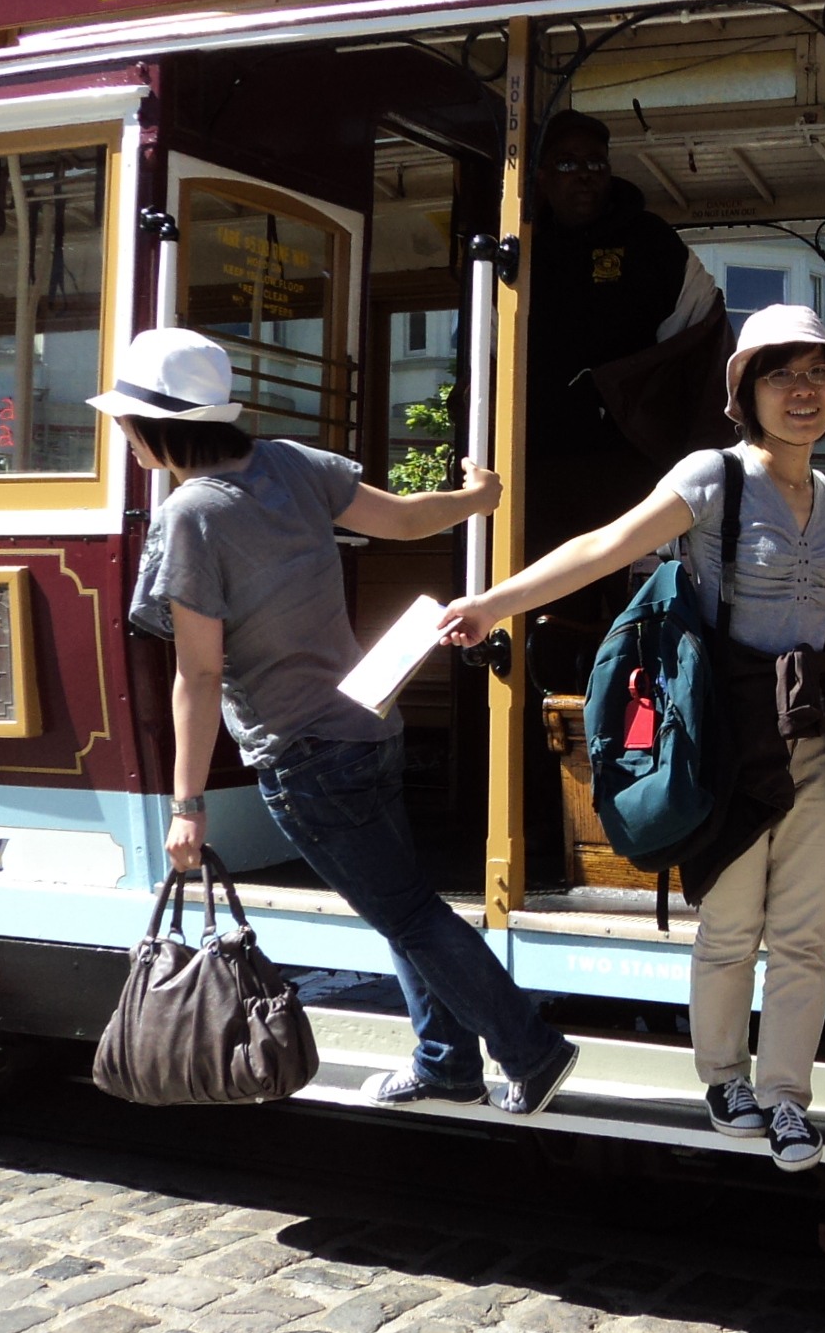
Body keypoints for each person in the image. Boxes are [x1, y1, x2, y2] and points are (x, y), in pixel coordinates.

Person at [443, 305, 825, 1173]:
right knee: (731, 927)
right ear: (746, 391)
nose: (803, 389)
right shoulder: (712, 477)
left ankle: (787, 1098)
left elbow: (811, 595)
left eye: (819, 372)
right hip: (729, 738)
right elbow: (605, 545)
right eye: (780, 372)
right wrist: (492, 604)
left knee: (804, 935)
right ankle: (725, 1080)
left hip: (810, 730)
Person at [96, 327, 578, 1116]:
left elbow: (199, 672)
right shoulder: (290, 463)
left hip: (303, 753)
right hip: (366, 726)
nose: (123, 433)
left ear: (158, 427)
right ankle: (445, 1062)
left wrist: (186, 804)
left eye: (126, 421)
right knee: (401, 906)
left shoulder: (190, 515)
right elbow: (408, 520)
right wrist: (478, 500)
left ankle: (531, 1049)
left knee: (408, 911)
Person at [519, 108, 732, 878]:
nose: (584, 177)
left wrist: (633, 402)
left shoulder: (650, 244)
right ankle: (537, 817)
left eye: (595, 162)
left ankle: (638, 812)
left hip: (627, 476)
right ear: (540, 177)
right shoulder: (519, 244)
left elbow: (705, 332)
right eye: (567, 164)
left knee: (630, 642)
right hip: (533, 478)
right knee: (536, 641)